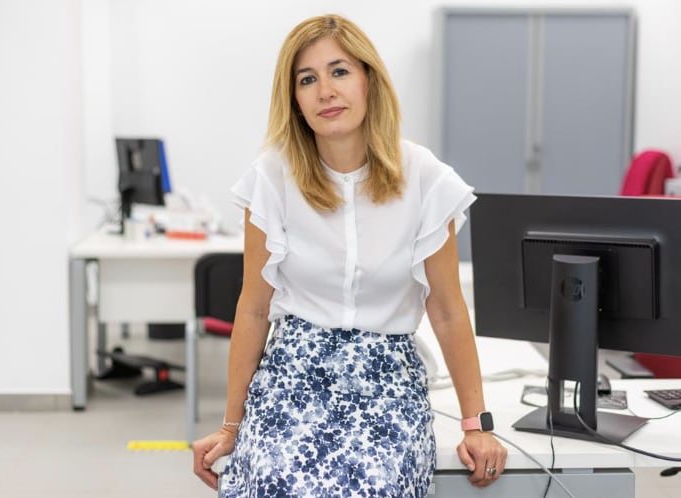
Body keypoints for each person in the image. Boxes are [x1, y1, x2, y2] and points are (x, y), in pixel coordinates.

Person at [192, 13, 507, 497]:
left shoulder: (425, 177)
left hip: (387, 379)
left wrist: (475, 424)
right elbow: (253, 308)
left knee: (376, 486)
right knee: (276, 479)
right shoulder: (271, 177)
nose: (326, 91)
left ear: (368, 81)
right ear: (294, 100)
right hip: (293, 374)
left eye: (339, 71)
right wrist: (231, 426)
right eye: (307, 79)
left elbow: (446, 309)